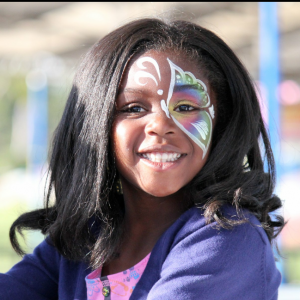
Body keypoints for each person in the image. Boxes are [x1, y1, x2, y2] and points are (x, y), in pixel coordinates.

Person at [0, 18, 284, 300]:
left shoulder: (230, 237)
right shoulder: (85, 239)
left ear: (221, 123)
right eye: (133, 108)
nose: (160, 125)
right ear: (94, 127)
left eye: (185, 106)